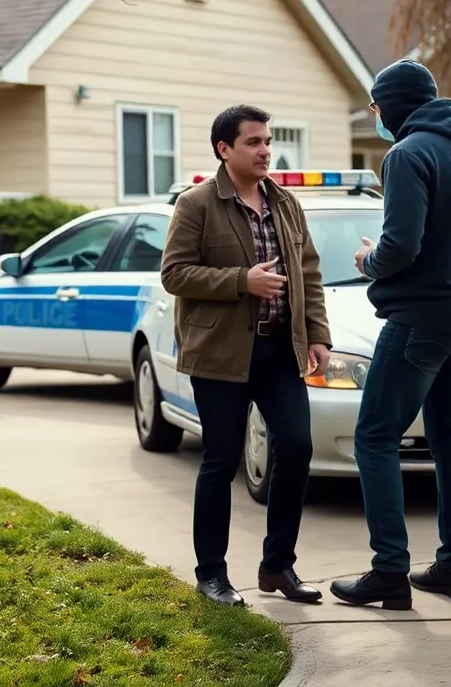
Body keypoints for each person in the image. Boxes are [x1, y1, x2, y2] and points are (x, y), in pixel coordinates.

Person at [330, 59, 451, 610]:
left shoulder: (407, 154)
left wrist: (366, 258)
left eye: (377, 108)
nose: (376, 118)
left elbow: (400, 247)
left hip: (423, 320)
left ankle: (389, 573)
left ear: (395, 105)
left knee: (374, 437)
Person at [160, 104, 332, 607]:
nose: (264, 151)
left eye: (267, 141)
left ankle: (278, 566)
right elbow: (174, 274)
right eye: (253, 142)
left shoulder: (285, 203)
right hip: (221, 355)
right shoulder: (196, 204)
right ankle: (211, 574)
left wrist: (316, 333)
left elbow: (310, 272)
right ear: (225, 149)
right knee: (220, 460)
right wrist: (242, 281)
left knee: (297, 448)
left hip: (281, 350)